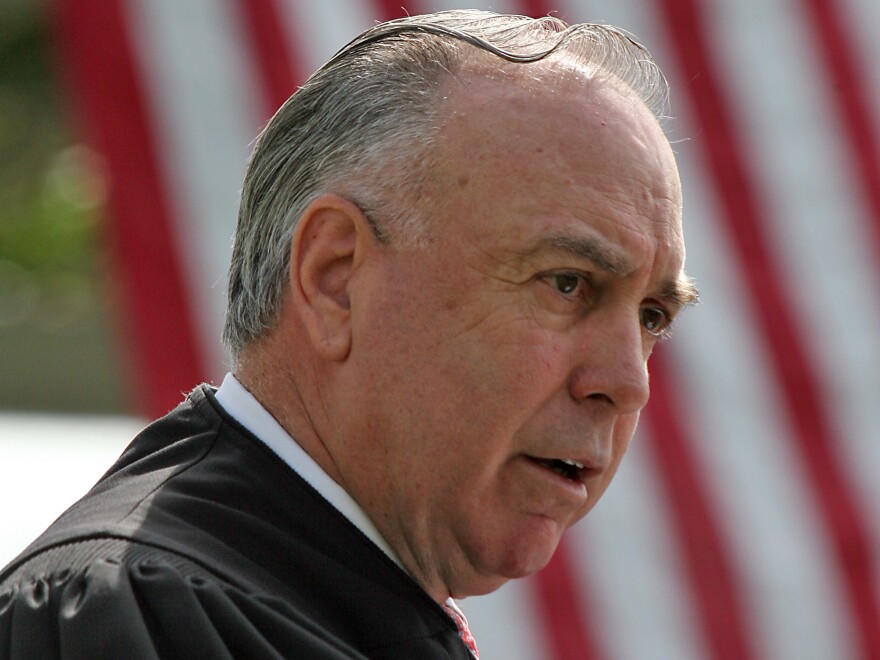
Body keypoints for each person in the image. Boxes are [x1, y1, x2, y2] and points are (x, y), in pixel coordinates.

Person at [0, 9, 697, 659]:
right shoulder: (137, 614)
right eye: (568, 283)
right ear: (335, 278)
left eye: (650, 318)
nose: (627, 382)